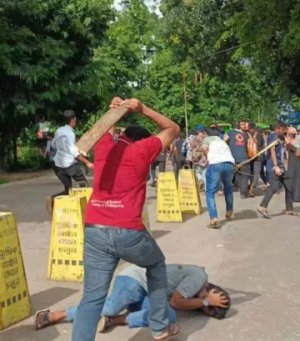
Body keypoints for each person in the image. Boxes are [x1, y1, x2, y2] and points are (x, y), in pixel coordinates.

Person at [72, 97, 180, 341]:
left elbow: (103, 128)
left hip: (94, 229)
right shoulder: (141, 150)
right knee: (155, 265)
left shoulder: (104, 147)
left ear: (122, 135)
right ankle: (159, 327)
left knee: (92, 298)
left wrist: (115, 110)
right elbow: (173, 129)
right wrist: (143, 109)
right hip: (127, 231)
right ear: (143, 140)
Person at [35, 263, 229, 332]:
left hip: (148, 293)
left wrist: (203, 302)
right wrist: (205, 301)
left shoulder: (195, 294)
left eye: (208, 310)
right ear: (213, 289)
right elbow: (176, 301)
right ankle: (55, 315)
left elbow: (173, 306)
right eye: (212, 300)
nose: (205, 306)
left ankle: (114, 320)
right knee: (110, 306)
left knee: (168, 317)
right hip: (135, 278)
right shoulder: (199, 277)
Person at [48, 110, 92, 213]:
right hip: (70, 165)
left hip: (58, 165)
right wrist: (87, 162)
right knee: (84, 186)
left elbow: (54, 145)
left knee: (68, 190)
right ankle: (87, 211)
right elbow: (74, 154)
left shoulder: (58, 130)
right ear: (72, 120)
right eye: (75, 119)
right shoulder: (70, 134)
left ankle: (53, 199)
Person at [257, 122, 298, 218]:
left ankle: (289, 209)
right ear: (279, 129)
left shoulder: (282, 138)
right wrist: (275, 166)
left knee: (289, 187)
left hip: (283, 167)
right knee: (274, 187)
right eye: (284, 129)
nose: (285, 131)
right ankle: (262, 206)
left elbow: (285, 152)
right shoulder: (274, 138)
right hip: (275, 167)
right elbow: (272, 152)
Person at [202, 128, 237, 228]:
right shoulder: (222, 141)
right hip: (230, 164)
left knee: (210, 192)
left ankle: (214, 218)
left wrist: (207, 156)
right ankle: (229, 211)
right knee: (228, 187)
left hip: (216, 164)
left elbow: (204, 148)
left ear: (206, 133)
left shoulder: (208, 139)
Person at [227, 122, 251, 198]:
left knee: (238, 174)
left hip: (233, 158)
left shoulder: (230, 132)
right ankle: (243, 193)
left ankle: (242, 189)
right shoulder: (245, 134)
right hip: (244, 158)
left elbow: (224, 139)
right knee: (245, 175)